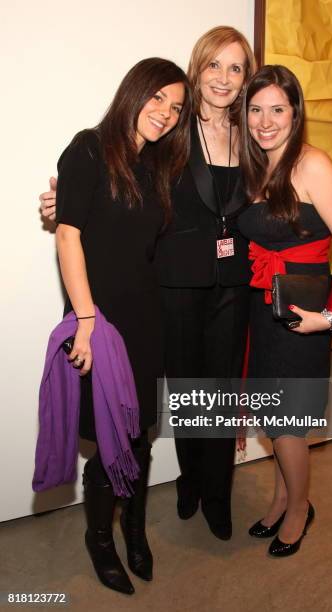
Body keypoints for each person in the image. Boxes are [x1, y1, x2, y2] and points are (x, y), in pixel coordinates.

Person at [40, 26, 257, 542]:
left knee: (218, 395)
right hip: (173, 283)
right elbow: (120, 181)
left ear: (246, 78)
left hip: (231, 283)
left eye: (236, 68)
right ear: (197, 69)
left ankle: (217, 494)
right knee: (181, 394)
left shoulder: (253, 133)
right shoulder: (174, 135)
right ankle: (188, 483)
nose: (224, 78)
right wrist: (63, 203)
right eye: (214, 66)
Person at [50, 57, 191, 594]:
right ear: (134, 92)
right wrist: (85, 320)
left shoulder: (158, 167)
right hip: (98, 320)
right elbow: (69, 237)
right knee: (109, 437)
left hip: (144, 319)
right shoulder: (88, 147)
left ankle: (134, 529)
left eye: (176, 107)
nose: (165, 113)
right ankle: (100, 540)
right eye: (158, 98)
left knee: (139, 434)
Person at [238, 65, 332, 557]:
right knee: (273, 420)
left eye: (277, 108)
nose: (265, 120)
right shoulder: (256, 167)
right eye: (256, 110)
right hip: (263, 308)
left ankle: (300, 509)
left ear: (296, 112)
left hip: (304, 317)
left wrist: (331, 319)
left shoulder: (312, 164)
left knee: (290, 423)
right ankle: (281, 499)